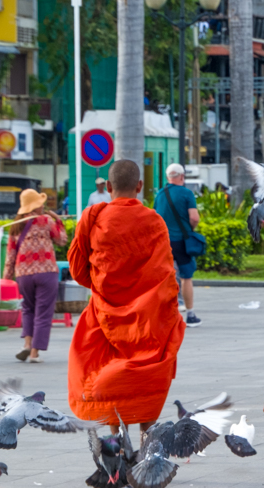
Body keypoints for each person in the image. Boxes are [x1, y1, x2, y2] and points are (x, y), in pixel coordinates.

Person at [67, 159, 185, 434]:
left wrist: (100, 287)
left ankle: (116, 442)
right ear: (140, 186)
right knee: (148, 371)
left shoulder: (94, 218)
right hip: (149, 316)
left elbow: (77, 268)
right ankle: (147, 440)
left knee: (108, 368)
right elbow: (165, 272)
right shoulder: (154, 220)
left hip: (105, 312)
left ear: (108, 186)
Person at [3, 189, 67, 363]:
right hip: (46, 272)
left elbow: (10, 254)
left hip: (23, 274)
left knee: (28, 309)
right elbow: (62, 240)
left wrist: (7, 276)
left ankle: (27, 344)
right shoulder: (45, 221)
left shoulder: (15, 226)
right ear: (37, 205)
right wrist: (58, 220)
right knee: (43, 313)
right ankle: (34, 354)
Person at [156, 163, 202, 327]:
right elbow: (194, 217)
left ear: (168, 177)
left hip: (164, 242)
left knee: (166, 277)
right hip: (181, 241)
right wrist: (191, 229)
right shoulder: (187, 193)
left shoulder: (160, 194)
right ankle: (190, 315)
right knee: (186, 277)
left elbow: (156, 218)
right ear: (182, 176)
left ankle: (166, 315)